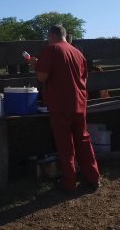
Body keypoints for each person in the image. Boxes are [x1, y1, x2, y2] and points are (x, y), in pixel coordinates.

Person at [28, 25, 100, 193]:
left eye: (48, 36)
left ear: (52, 35)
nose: (47, 40)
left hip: (60, 104)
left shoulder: (51, 50)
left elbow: (42, 76)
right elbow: (82, 77)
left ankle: (69, 183)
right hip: (79, 103)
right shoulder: (77, 53)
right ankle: (94, 177)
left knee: (65, 143)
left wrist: (35, 65)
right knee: (83, 139)